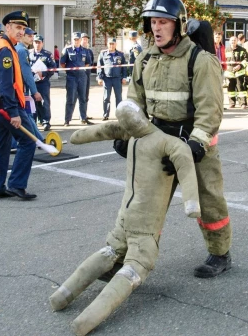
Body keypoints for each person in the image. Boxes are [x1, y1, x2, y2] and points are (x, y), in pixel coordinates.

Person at [51, 100, 201, 336]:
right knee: (135, 268)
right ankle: (85, 322)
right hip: (144, 227)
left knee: (109, 251)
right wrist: (191, 205)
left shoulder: (130, 135)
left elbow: (99, 131)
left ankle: (62, 296)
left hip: (124, 218)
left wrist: (77, 136)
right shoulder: (168, 143)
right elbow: (186, 167)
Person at [124, 0, 232, 278]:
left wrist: (194, 146)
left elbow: (210, 111)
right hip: (158, 143)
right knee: (142, 205)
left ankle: (220, 253)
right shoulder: (145, 59)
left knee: (209, 202)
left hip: (193, 144)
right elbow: (134, 103)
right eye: (152, 22)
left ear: (179, 25)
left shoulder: (200, 60)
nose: (156, 28)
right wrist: (127, 133)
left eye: (163, 22)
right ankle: (130, 257)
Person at [0, 11, 38, 200]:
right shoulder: (6, 51)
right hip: (6, 107)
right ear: (7, 27)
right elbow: (5, 85)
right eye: (17, 27)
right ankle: (17, 184)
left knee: (0, 146)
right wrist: (13, 112)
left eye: (23, 28)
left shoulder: (6, 47)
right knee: (28, 141)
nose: (21, 32)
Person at [60, 32, 93, 126]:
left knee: (83, 98)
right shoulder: (67, 50)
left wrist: (81, 70)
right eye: (75, 39)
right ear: (72, 40)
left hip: (82, 77)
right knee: (70, 99)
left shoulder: (85, 51)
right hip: (72, 77)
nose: (76, 41)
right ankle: (67, 120)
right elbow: (62, 64)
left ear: (80, 40)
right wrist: (70, 72)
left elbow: (88, 62)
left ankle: (83, 118)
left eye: (78, 39)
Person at [97, 38, 128, 120]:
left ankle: (119, 115)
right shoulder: (103, 54)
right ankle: (105, 115)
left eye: (113, 44)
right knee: (106, 97)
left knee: (119, 97)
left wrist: (124, 77)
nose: (111, 45)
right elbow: (99, 66)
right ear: (108, 44)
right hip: (107, 79)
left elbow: (124, 67)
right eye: (110, 44)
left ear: (115, 44)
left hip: (117, 79)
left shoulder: (120, 54)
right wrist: (99, 78)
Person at [31, 34, 56, 131]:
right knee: (32, 102)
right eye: (35, 42)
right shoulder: (29, 54)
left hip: (43, 83)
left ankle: (46, 121)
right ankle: (33, 122)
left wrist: (43, 73)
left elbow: (53, 68)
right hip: (32, 83)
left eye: (39, 43)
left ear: (42, 43)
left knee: (44, 102)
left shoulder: (47, 54)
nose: (37, 44)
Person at [224, 36, 247, 108]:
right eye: (231, 40)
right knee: (230, 88)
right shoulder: (226, 50)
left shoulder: (242, 50)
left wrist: (240, 66)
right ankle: (232, 103)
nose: (233, 42)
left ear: (237, 41)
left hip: (239, 72)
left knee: (241, 88)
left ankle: (242, 103)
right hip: (229, 71)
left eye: (234, 40)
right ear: (229, 41)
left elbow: (246, 60)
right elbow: (223, 60)